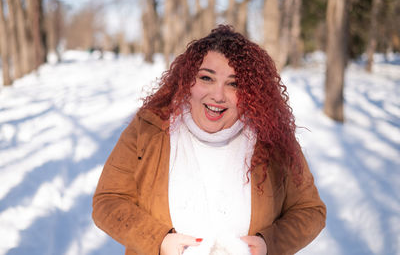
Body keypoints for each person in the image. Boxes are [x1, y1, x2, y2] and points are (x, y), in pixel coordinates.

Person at [92, 25, 326, 255]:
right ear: (187, 81)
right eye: (206, 78)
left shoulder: (271, 138)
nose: (217, 95)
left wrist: (270, 244)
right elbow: (108, 200)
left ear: (251, 93)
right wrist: (159, 241)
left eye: (233, 84)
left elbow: (310, 210)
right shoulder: (149, 128)